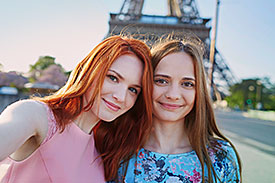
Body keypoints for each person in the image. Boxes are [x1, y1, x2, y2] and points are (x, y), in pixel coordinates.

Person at [0, 35, 153, 183]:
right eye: (113, 78)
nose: (121, 96)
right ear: (90, 71)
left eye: (133, 90)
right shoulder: (37, 116)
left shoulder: (101, 151)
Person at [116, 34, 242, 183]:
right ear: (146, 83)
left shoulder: (221, 157)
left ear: (198, 92)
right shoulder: (118, 152)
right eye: (161, 81)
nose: (173, 95)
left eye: (187, 84)